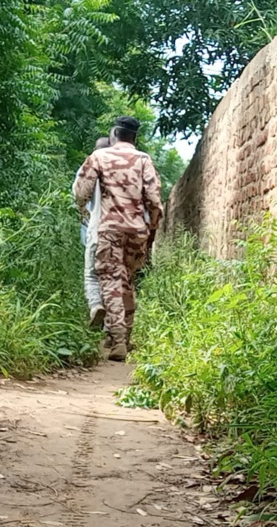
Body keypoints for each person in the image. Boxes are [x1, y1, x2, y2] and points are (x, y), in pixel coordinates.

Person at [72, 116, 163, 361]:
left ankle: (118, 339)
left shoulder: (99, 157)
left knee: (111, 281)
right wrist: (151, 229)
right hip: (137, 231)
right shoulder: (144, 160)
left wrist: (85, 210)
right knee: (127, 281)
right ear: (135, 137)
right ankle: (125, 337)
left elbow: (81, 192)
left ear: (114, 134)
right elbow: (154, 200)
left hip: (108, 230)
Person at [73, 137, 110, 329]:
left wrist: (85, 211)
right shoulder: (125, 163)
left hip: (95, 229)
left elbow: (78, 194)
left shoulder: (90, 164)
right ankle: (111, 326)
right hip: (124, 232)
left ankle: (96, 306)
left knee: (92, 275)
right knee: (114, 279)